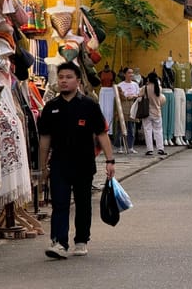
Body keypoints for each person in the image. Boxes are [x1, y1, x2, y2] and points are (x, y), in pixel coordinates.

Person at [39, 62, 115, 259]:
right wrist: (42, 168)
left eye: (68, 77)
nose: (64, 81)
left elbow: (102, 133)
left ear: (78, 81)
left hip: (83, 163)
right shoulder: (51, 107)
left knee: (82, 203)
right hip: (58, 164)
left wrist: (110, 161)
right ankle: (59, 242)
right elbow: (44, 140)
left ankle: (81, 240)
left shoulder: (88, 105)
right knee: (60, 203)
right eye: (61, 77)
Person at [140, 71, 167, 156]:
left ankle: (150, 149)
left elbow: (139, 95)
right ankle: (160, 148)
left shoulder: (145, 88)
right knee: (158, 130)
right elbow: (161, 99)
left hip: (147, 112)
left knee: (148, 130)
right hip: (157, 112)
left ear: (148, 79)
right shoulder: (159, 88)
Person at [115, 66, 140, 153]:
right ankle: (119, 147)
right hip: (123, 105)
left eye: (132, 73)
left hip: (132, 105)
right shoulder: (120, 85)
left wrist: (133, 96)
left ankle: (130, 147)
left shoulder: (135, 84)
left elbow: (138, 94)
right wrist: (123, 95)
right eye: (129, 73)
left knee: (131, 128)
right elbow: (117, 97)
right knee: (121, 128)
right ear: (125, 74)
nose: (131, 74)